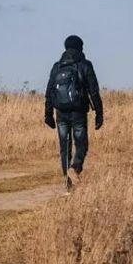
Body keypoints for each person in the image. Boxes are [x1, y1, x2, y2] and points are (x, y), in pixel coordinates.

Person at [44, 35, 104, 191]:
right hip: (78, 112)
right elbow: (94, 91)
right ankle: (75, 168)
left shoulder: (57, 66)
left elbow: (50, 91)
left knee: (65, 147)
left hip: (60, 113)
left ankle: (67, 185)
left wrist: (48, 114)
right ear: (80, 47)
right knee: (81, 145)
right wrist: (99, 113)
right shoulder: (85, 65)